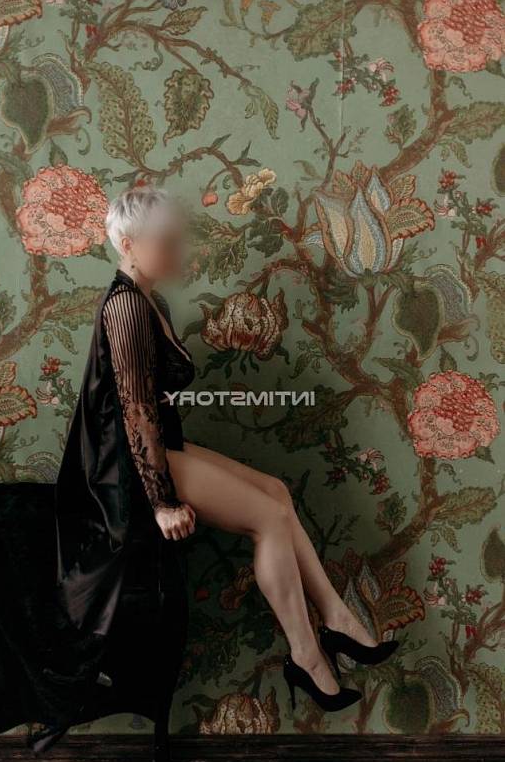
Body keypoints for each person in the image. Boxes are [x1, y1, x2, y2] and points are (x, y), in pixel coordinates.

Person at [58, 186, 398, 715]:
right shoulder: (124, 307)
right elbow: (136, 410)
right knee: (268, 518)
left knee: (277, 492)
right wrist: (162, 503)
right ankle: (306, 655)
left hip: (153, 443)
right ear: (127, 244)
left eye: (175, 240)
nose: (175, 251)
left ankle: (337, 619)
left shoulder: (148, 298)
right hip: (122, 464)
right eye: (163, 241)